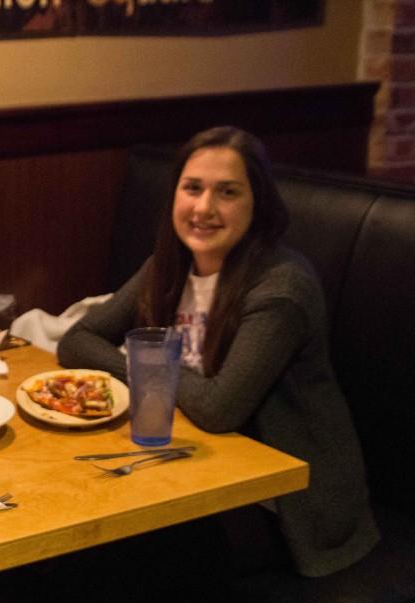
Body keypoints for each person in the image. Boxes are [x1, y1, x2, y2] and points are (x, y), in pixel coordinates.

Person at [57, 125, 380, 578]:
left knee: (120, 556)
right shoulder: (167, 267)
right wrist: (144, 364)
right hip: (198, 469)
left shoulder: (281, 288)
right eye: (192, 188)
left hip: (290, 508)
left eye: (227, 192)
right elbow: (76, 341)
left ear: (258, 204)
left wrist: (150, 366)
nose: (204, 207)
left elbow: (219, 407)